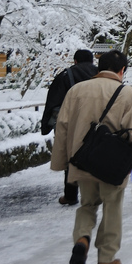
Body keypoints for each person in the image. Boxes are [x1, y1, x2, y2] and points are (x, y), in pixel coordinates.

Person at [50, 49, 132, 264]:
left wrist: (61, 161)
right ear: (122, 70)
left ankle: (82, 239)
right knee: (112, 207)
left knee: (87, 204)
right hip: (113, 163)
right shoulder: (129, 93)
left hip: (83, 159)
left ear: (99, 67)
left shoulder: (76, 91)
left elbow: (62, 127)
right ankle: (106, 258)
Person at [41, 49, 98, 206]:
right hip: (98, 123)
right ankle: (96, 193)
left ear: (75, 61)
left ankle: (71, 195)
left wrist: (48, 124)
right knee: (98, 155)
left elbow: (53, 102)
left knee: (71, 158)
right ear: (92, 61)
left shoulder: (66, 75)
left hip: (72, 124)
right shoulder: (101, 75)